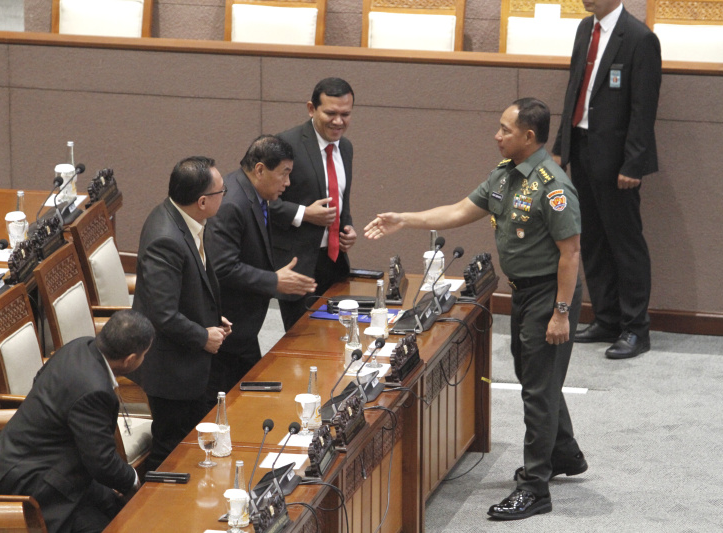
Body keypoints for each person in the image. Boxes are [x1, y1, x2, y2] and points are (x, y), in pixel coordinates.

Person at [365, 98, 587, 520]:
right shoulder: (505, 176)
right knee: (535, 375)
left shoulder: (553, 187)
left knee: (538, 388)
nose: (496, 135)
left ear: (529, 137)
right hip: (524, 291)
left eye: (505, 129)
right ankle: (564, 453)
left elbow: (571, 253)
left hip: (549, 293)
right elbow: (458, 210)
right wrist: (405, 219)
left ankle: (535, 488)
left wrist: (561, 312)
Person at [0, 310, 155, 533]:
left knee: (118, 509)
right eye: (144, 355)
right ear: (130, 359)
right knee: (113, 525)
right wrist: (133, 481)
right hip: (31, 484)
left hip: (56, 466)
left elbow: (39, 380)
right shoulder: (95, 390)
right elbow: (102, 462)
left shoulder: (79, 346)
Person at [552, 0, 661, 359]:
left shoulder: (640, 38)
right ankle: (607, 318)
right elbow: (573, 90)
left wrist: (633, 163)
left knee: (625, 243)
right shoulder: (586, 28)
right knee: (593, 239)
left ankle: (636, 329)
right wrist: (561, 147)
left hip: (617, 160)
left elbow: (644, 108)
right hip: (581, 147)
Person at [131, 156, 232, 472]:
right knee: (171, 452)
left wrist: (213, 320)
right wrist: (203, 335)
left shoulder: (187, 219)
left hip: (190, 360)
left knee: (192, 444)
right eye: (221, 191)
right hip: (171, 369)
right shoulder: (165, 238)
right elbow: (162, 313)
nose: (224, 196)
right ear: (202, 201)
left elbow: (193, 283)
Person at [206, 135, 317, 393]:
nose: (288, 183)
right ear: (260, 170)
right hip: (226, 330)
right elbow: (223, 267)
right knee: (231, 400)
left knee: (253, 391)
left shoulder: (252, 194)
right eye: (284, 173)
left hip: (244, 329)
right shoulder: (232, 203)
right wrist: (274, 280)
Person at [272, 77, 358, 330]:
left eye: (345, 114)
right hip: (298, 266)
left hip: (335, 264)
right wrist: (303, 213)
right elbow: (258, 202)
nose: (338, 121)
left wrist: (348, 228)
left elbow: (341, 199)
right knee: (301, 342)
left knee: (338, 337)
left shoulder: (346, 148)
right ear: (311, 109)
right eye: (331, 113)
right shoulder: (285, 145)